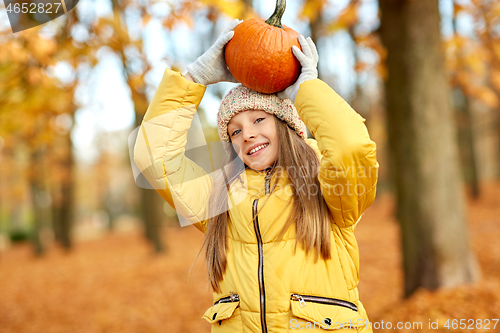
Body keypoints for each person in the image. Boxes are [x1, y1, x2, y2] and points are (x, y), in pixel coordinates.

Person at [134, 19, 378, 333]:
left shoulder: (326, 184)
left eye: (259, 119)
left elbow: (351, 148)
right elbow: (154, 159)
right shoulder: (220, 197)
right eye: (235, 131)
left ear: (286, 124)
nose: (247, 134)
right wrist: (193, 78)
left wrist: (306, 90)